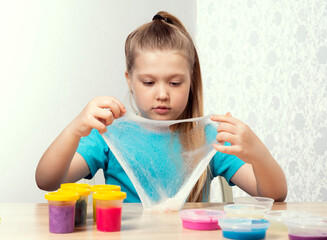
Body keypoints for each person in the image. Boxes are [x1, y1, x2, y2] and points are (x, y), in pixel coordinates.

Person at [35, 11, 287, 203]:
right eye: (148, 82)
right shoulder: (110, 134)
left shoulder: (209, 137)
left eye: (175, 83)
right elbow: (47, 181)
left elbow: (275, 195)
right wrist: (75, 128)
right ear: (129, 81)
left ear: (191, 82)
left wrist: (258, 153)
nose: (163, 94)